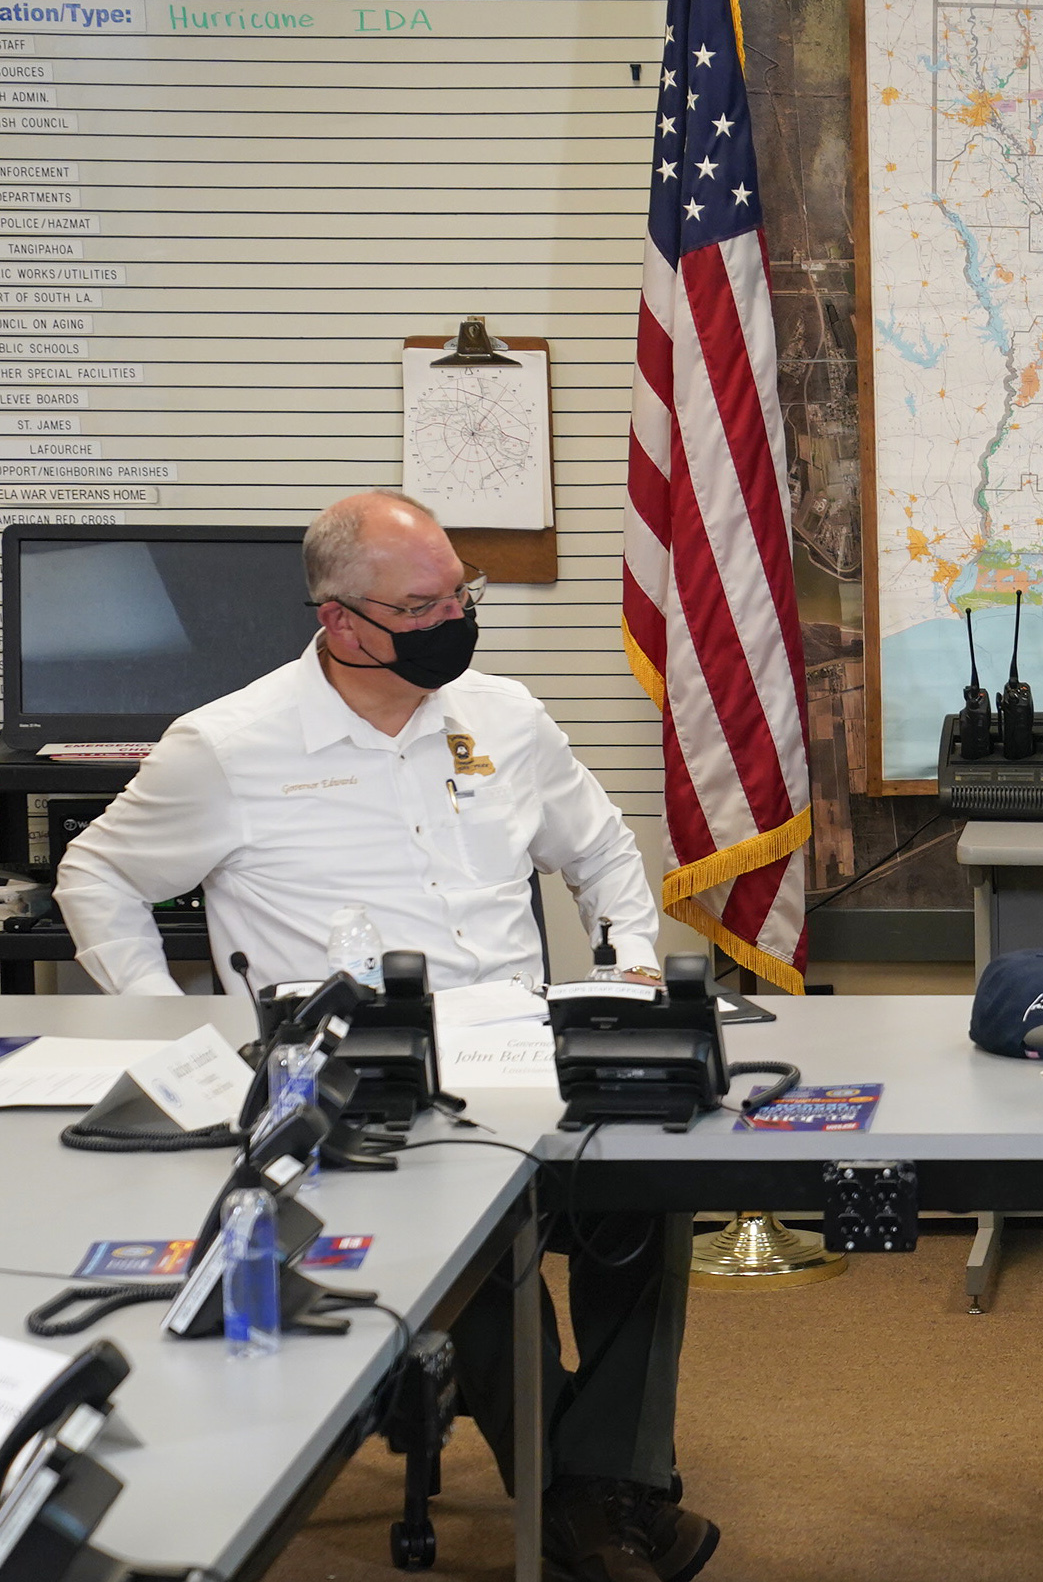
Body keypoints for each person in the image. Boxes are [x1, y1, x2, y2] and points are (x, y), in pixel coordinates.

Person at [56, 491, 719, 1582]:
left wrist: (633, 964)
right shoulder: (227, 744)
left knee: (650, 1189)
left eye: (462, 591)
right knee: (483, 1228)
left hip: (526, 1056)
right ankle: (597, 1511)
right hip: (364, 1089)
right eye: (424, 602)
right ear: (341, 621)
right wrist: (180, 1027)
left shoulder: (504, 716)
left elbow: (600, 850)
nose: (455, 616)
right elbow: (97, 874)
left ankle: (596, 1488)